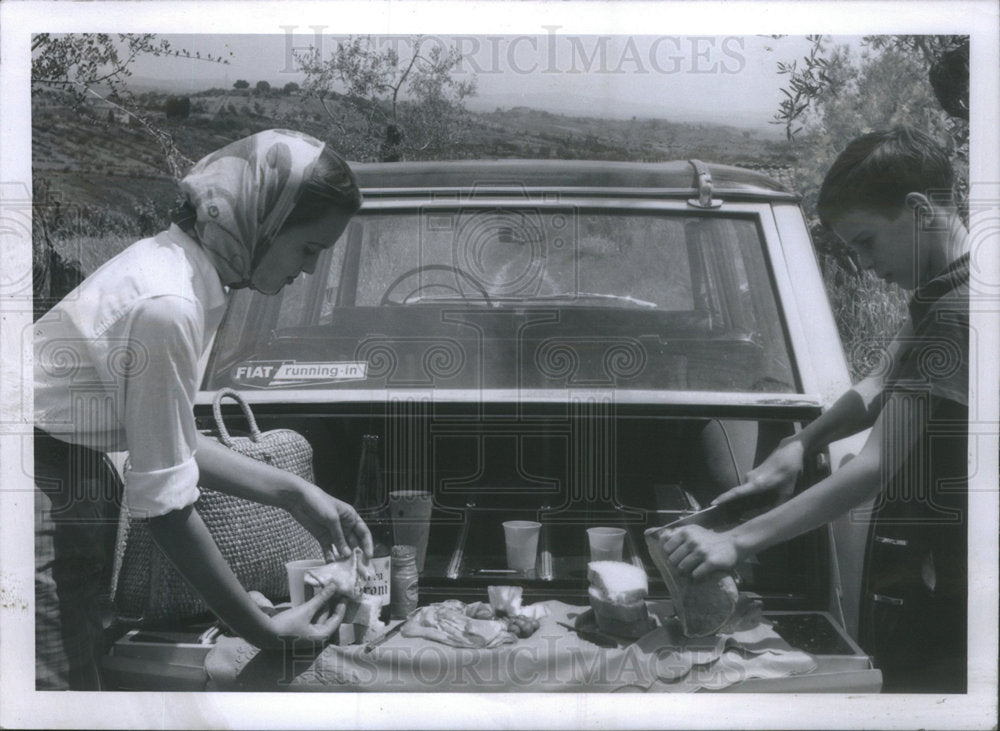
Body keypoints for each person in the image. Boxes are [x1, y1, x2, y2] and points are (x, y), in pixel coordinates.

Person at [33, 129, 372, 689]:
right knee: (54, 697)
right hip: (33, 489)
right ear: (261, 218)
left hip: (68, 472)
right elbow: (165, 507)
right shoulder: (168, 304)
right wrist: (264, 633)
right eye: (309, 248)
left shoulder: (184, 271)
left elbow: (172, 436)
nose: (310, 271)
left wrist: (296, 493)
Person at [658, 127, 970, 693]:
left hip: (956, 575)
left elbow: (873, 467)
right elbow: (879, 380)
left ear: (920, 210)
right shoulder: (945, 289)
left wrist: (737, 540)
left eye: (867, 242)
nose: (865, 263)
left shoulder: (957, 312)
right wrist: (802, 444)